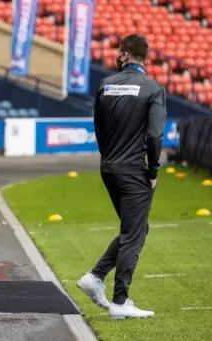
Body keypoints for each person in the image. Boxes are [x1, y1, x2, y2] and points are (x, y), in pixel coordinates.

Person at [76, 33, 166, 320]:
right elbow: (154, 135)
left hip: (109, 167)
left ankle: (96, 276)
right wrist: (152, 170)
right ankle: (120, 301)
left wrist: (109, 157)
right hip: (133, 171)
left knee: (134, 230)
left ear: (124, 54)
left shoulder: (105, 85)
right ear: (146, 58)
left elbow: (99, 129)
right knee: (134, 234)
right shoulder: (152, 89)